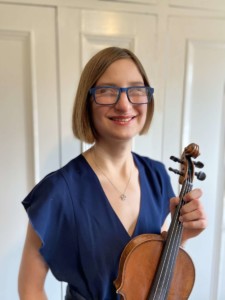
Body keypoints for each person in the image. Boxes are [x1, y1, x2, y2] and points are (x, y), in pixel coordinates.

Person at [18, 47, 207, 300]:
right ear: (88, 101)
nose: (124, 104)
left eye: (136, 90)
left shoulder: (157, 176)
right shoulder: (57, 191)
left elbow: (152, 270)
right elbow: (30, 288)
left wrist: (180, 239)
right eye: (107, 91)